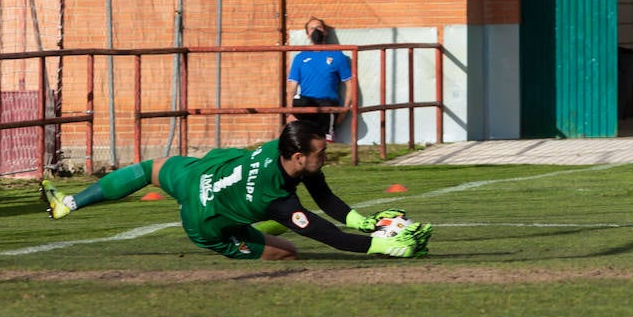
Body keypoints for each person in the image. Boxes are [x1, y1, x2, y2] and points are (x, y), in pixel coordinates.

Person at [39, 120, 432, 260]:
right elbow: (325, 233)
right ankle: (234, 233)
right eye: (321, 153)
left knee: (149, 169)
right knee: (290, 250)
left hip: (198, 175)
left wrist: (364, 222)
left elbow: (326, 198)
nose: (326, 157)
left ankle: (68, 202)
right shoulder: (276, 198)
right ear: (297, 156)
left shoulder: (282, 150)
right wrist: (379, 245)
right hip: (206, 221)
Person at [287, 17, 353, 142]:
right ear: (307, 34)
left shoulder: (337, 55)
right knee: (300, 106)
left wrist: (345, 109)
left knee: (327, 108)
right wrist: (290, 111)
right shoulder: (300, 57)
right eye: (312, 29)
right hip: (307, 100)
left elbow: (350, 84)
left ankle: (328, 136)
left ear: (325, 31)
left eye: (319, 28)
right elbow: (292, 87)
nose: (316, 31)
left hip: (327, 102)